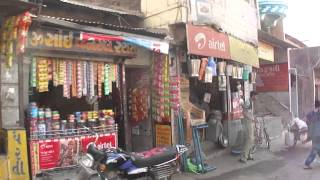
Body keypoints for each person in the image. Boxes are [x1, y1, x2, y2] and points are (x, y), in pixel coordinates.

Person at [239, 91, 258, 163]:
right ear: (253, 95)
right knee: (249, 139)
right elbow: (244, 112)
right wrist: (252, 118)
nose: (257, 97)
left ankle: (249, 155)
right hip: (247, 122)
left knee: (251, 139)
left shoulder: (251, 102)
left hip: (250, 121)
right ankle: (243, 157)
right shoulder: (247, 102)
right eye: (256, 96)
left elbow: (249, 112)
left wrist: (253, 118)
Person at [303, 100, 320, 169]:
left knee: (318, 148)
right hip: (318, 134)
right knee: (315, 150)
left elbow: (305, 120)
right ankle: (307, 163)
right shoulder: (318, 114)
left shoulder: (310, 114)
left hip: (313, 134)